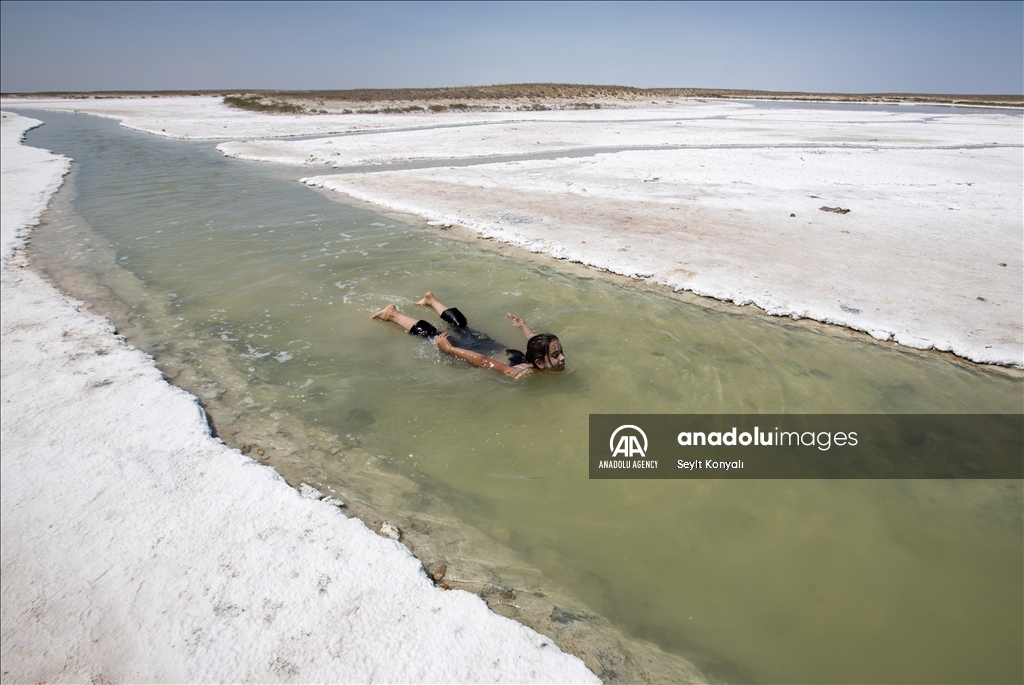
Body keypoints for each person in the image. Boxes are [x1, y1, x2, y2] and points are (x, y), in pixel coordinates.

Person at [372, 292, 565, 379]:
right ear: (539, 363)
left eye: (559, 353)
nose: (562, 357)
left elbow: (532, 338)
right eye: (556, 355)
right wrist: (451, 350)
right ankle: (392, 314)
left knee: (461, 326)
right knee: (433, 335)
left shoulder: (534, 352)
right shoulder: (522, 372)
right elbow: (483, 362)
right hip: (475, 351)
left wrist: (523, 325)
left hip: (488, 344)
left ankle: (431, 300)